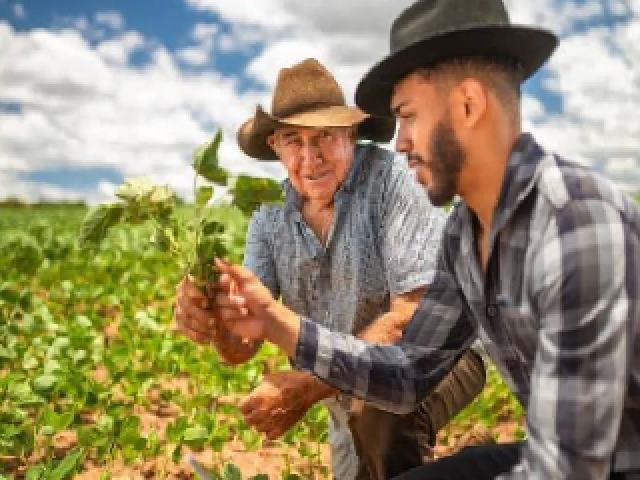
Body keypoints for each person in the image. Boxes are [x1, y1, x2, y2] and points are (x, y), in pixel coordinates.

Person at [206, 1, 640, 479]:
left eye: (408, 116)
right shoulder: (464, 233)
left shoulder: (576, 224)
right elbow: (408, 371)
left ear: (469, 106)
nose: (402, 142)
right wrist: (278, 324)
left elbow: (573, 467)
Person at [175, 58, 486, 480]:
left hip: (441, 356)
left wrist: (308, 386)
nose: (310, 157)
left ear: (351, 135)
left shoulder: (392, 180)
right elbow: (240, 346)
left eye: (324, 136)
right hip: (343, 384)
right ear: (274, 147)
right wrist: (214, 317)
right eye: (292, 140)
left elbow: (410, 322)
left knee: (379, 413)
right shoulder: (269, 216)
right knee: (364, 452)